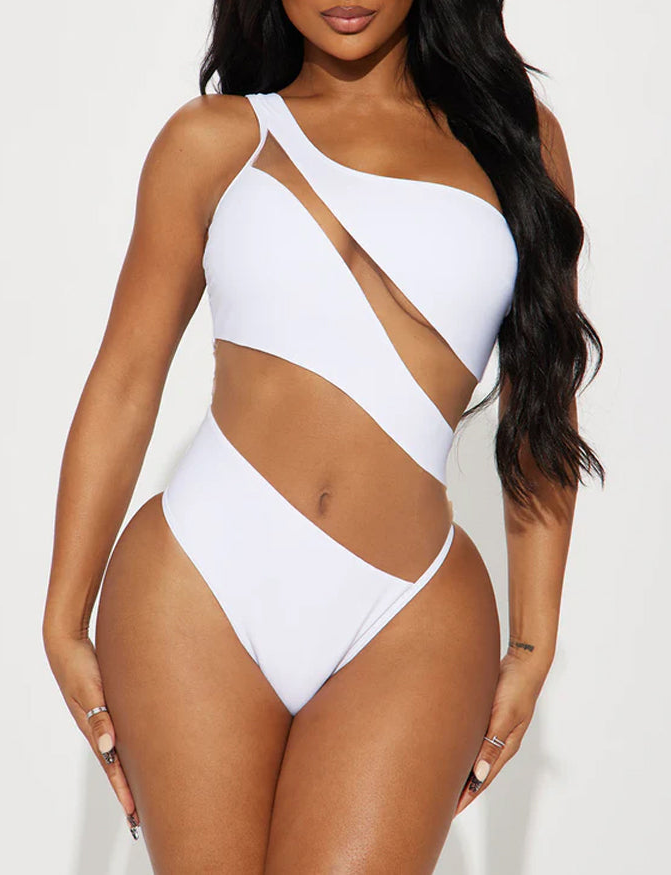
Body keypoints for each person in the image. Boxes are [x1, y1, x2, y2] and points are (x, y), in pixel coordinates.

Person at [42, 1, 604, 871]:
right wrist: (63, 617)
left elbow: (543, 403)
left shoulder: (515, 140)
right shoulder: (213, 139)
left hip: (409, 617)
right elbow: (125, 382)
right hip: (197, 592)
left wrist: (534, 641)